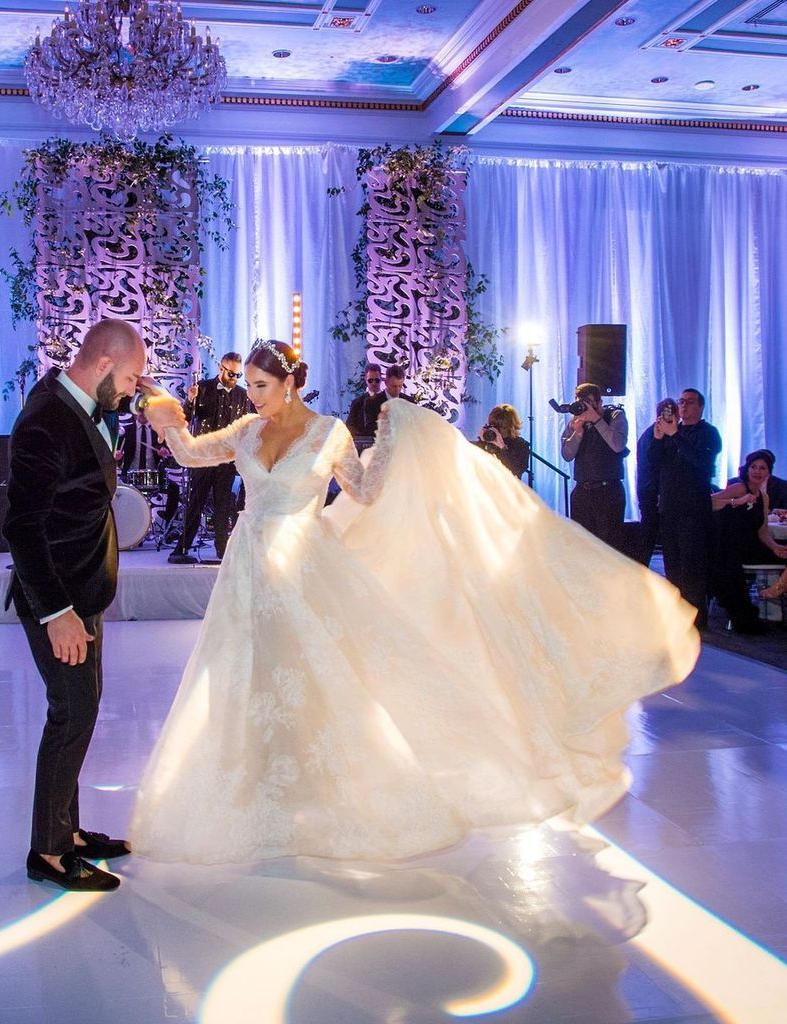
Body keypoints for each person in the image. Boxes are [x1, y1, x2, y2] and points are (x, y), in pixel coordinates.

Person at [130, 339, 699, 865]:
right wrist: (165, 416)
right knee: (247, 674)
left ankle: (322, 788)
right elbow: (188, 455)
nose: (252, 397)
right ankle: (257, 788)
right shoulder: (247, 433)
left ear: (290, 383)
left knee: (317, 673)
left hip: (306, 566)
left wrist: (398, 435)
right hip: (249, 568)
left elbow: (366, 491)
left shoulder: (329, 433)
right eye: (250, 386)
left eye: (261, 386)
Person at [2, 319, 146, 892]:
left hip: (85, 588)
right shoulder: (46, 419)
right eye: (133, 377)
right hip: (58, 597)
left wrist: (141, 392)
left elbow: (101, 440)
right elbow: (21, 527)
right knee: (72, 713)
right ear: (106, 365)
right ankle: (50, 851)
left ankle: (71, 829)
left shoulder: (82, 399)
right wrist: (56, 612)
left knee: (81, 709)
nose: (137, 388)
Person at [168, 353, 252, 565]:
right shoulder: (203, 387)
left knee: (223, 505)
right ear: (220, 368)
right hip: (203, 456)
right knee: (195, 501)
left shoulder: (242, 395)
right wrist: (189, 400)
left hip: (226, 458)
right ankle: (182, 547)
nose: (234, 378)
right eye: (231, 373)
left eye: (238, 374)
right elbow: (185, 418)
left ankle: (222, 549)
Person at [652, 387, 722, 629]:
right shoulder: (674, 431)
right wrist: (658, 438)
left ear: (700, 406)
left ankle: (696, 620)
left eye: (689, 402)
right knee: (673, 566)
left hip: (693, 510)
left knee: (693, 568)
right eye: (681, 401)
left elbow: (701, 462)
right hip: (670, 507)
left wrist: (675, 435)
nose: (683, 406)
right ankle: (675, 617)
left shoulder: (708, 433)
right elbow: (653, 464)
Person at [710, 449, 787, 633]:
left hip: (753, 545)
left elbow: (762, 531)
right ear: (747, 468)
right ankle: (774, 592)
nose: (757, 471)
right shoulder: (740, 488)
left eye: (762, 468)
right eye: (754, 467)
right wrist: (735, 501)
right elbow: (708, 502)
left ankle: (777, 589)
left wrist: (775, 546)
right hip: (733, 548)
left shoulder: (764, 497)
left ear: (768, 472)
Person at [561, 383, 629, 551]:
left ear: (599, 402)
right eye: (580, 403)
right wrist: (577, 433)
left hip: (608, 491)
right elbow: (567, 455)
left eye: (588, 403)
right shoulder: (575, 423)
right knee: (582, 546)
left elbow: (618, 444)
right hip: (582, 491)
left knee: (609, 546)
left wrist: (596, 420)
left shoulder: (615, 415)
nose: (583, 408)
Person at [635, 398, 677, 566]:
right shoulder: (658, 435)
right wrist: (661, 492)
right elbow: (656, 465)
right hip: (655, 491)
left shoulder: (648, 433)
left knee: (648, 533)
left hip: (648, 489)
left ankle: (640, 569)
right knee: (653, 534)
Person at [473, 404, 531, 479]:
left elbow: (516, 471)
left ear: (511, 427)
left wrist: (502, 447)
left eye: (501, 427)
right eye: (494, 426)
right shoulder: (487, 441)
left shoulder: (521, 444)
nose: (497, 431)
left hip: (508, 487)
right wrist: (481, 441)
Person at [345, 362, 384, 442]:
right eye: (370, 380)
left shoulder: (388, 400)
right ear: (366, 380)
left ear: (381, 380)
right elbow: (350, 427)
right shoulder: (357, 403)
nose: (374, 383)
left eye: (376, 380)